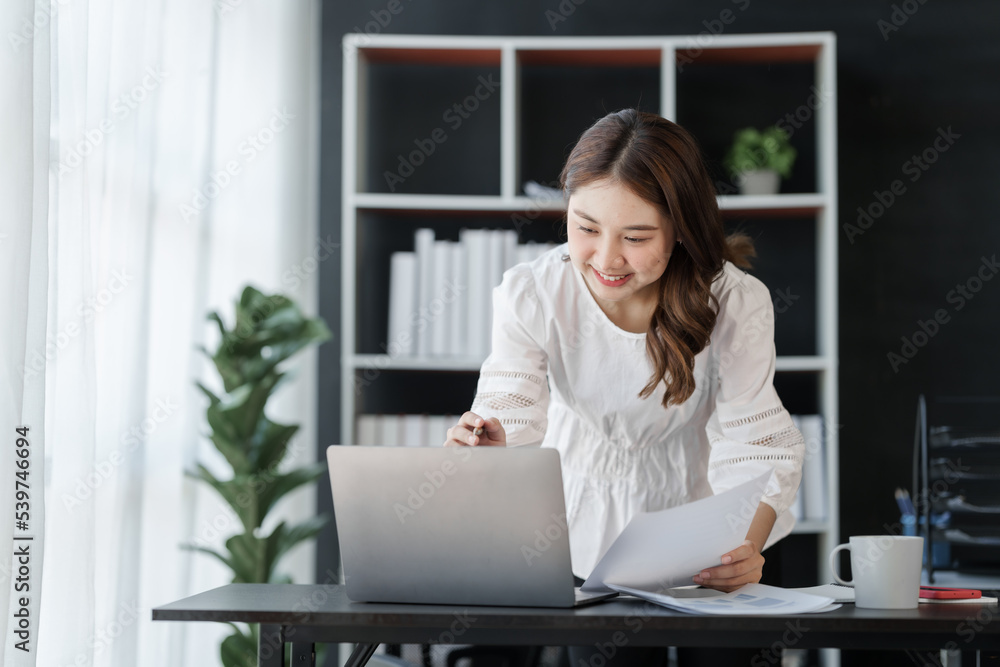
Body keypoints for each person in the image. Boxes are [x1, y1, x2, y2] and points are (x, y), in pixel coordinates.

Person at [444, 109, 805, 666]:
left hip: (712, 526)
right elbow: (508, 410)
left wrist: (745, 548)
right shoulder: (533, 293)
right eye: (585, 228)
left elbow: (756, 442)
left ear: (682, 228)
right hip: (587, 529)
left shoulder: (734, 301)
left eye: (635, 237)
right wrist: (487, 446)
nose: (606, 259)